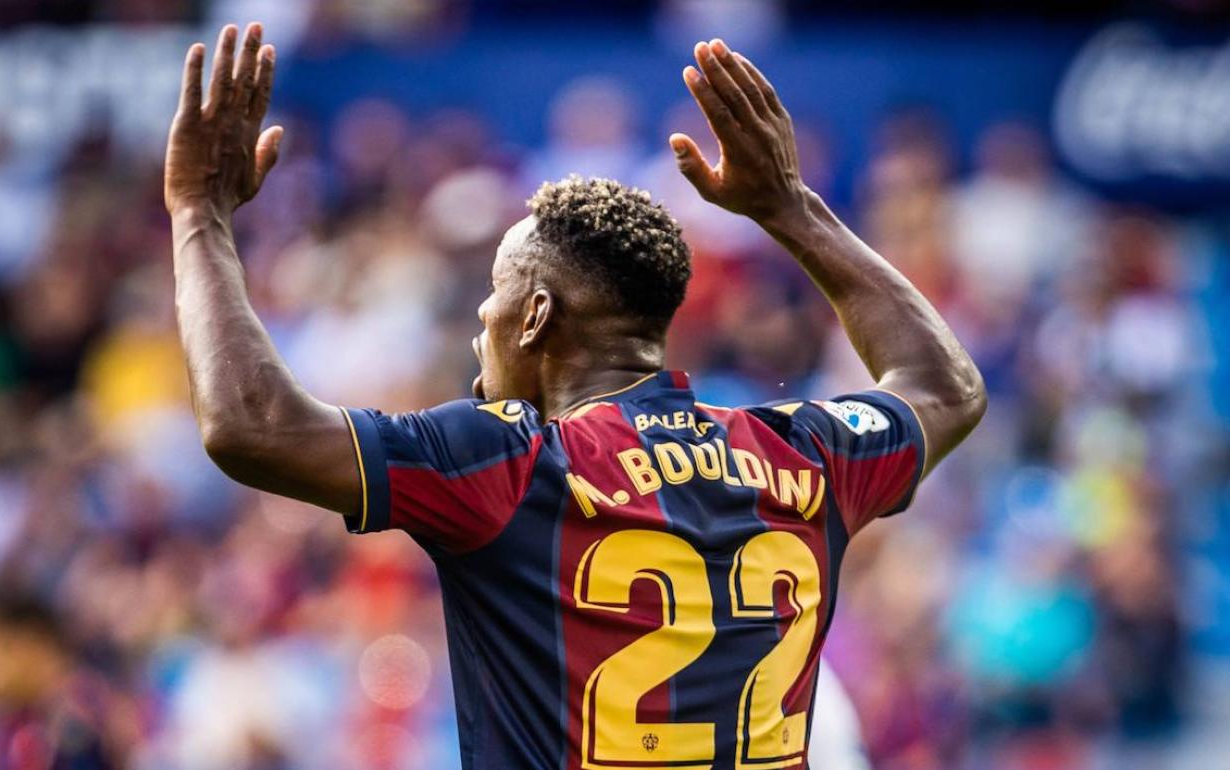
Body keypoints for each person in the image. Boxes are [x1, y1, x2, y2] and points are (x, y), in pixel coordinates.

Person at [164, 23, 986, 770]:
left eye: (493, 296)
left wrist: (200, 216)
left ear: (535, 316)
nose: (478, 325)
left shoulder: (508, 465)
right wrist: (791, 209)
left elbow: (250, 426)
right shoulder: (800, 453)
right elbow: (944, 385)